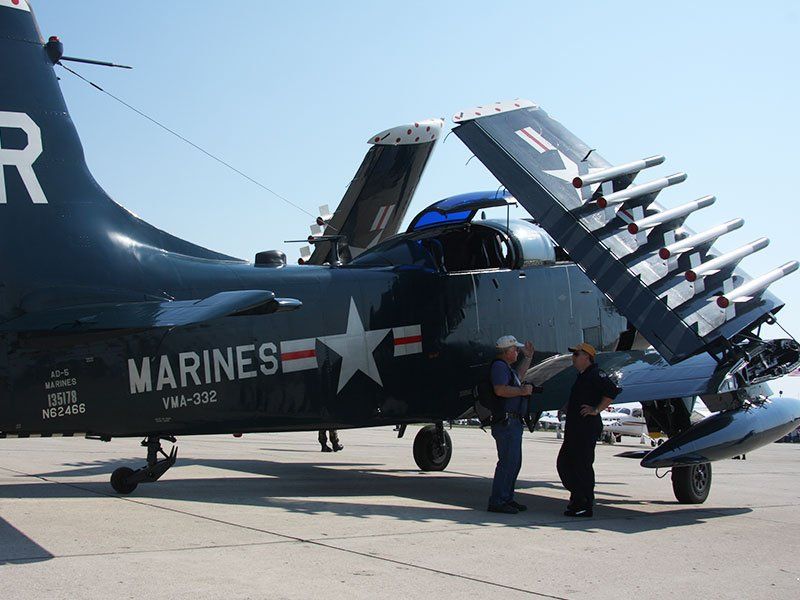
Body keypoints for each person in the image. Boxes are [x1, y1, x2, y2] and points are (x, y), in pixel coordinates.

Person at [557, 342, 620, 517]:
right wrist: (566, 407)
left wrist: (596, 410)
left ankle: (585, 503)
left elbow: (612, 391)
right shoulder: (582, 375)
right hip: (575, 428)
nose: (573, 358)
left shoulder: (595, 374)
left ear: (587, 357)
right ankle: (577, 498)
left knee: (582, 466)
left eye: (576, 354)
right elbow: (580, 396)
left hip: (586, 428)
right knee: (565, 464)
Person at [487, 335, 535, 514]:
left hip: (512, 421)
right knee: (508, 462)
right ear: (506, 352)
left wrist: (528, 358)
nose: (517, 352)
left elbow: (519, 375)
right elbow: (500, 389)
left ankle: (507, 498)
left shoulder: (506, 368)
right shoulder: (499, 367)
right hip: (506, 422)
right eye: (515, 350)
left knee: (514, 462)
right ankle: (498, 500)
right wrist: (522, 391)